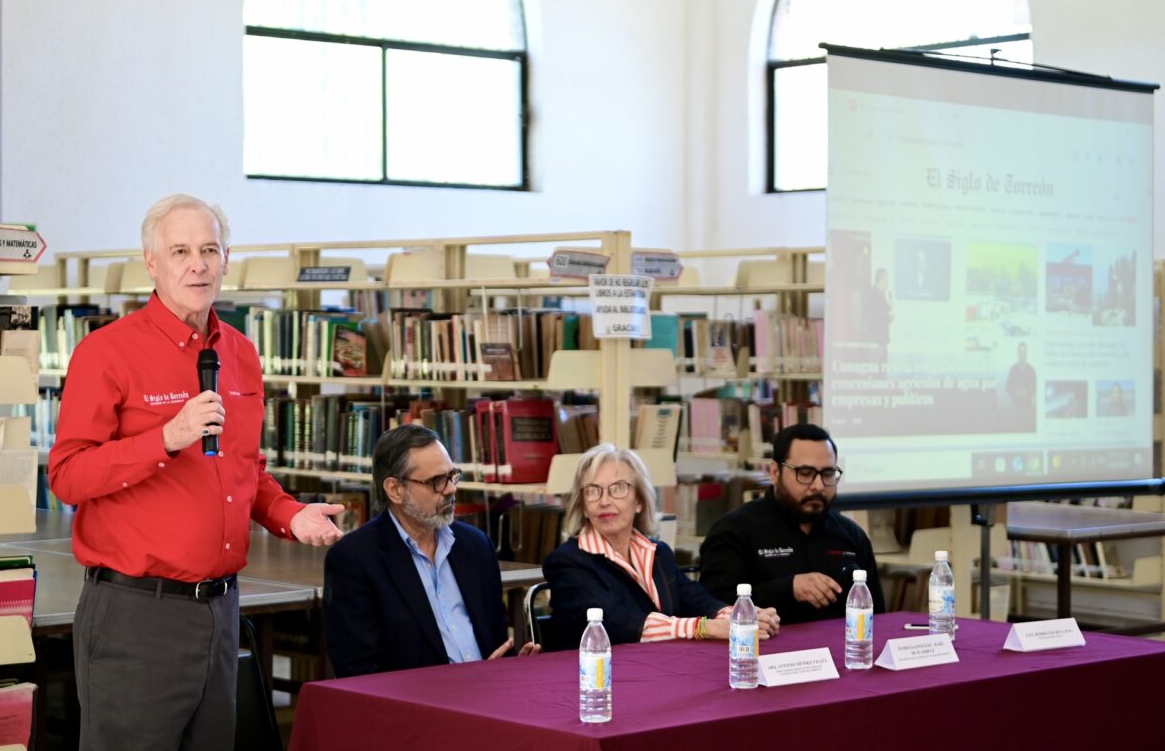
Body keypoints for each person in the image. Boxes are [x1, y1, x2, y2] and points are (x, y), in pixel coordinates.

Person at [49, 194, 344, 751]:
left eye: (210, 249)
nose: (197, 264)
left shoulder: (241, 353)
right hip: (136, 615)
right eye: (180, 250)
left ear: (227, 259)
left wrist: (290, 514)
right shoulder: (105, 353)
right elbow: (67, 476)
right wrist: (164, 438)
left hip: (221, 612)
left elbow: (245, 471)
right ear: (151, 263)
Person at [323, 423, 539, 677]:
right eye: (437, 481)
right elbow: (358, 672)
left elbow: (495, 642)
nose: (451, 489)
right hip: (415, 708)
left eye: (452, 475)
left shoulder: (475, 546)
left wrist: (510, 665)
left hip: (487, 696)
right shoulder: (355, 560)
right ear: (395, 489)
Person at [542, 444, 779, 649]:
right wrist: (703, 628)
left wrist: (745, 616)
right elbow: (619, 623)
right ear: (583, 506)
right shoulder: (566, 562)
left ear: (639, 501)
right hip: (591, 681)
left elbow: (695, 599)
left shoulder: (658, 552)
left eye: (618, 488)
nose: (605, 501)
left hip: (655, 671)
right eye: (593, 491)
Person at [698, 423, 884, 624]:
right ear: (775, 472)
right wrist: (788, 589)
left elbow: (879, 616)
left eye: (828, 474)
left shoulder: (851, 535)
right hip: (762, 651)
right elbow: (711, 608)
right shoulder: (734, 531)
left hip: (843, 651)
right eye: (805, 473)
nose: (818, 485)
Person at [1006, 341, 1036, 411]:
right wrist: (1016, 391)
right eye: (1020, 352)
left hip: (1028, 407)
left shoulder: (1031, 369)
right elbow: (1008, 387)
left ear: (1027, 354)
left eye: (1024, 352)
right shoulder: (1013, 369)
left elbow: (1035, 387)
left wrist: (1027, 391)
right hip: (1016, 407)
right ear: (1018, 354)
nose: (1022, 354)